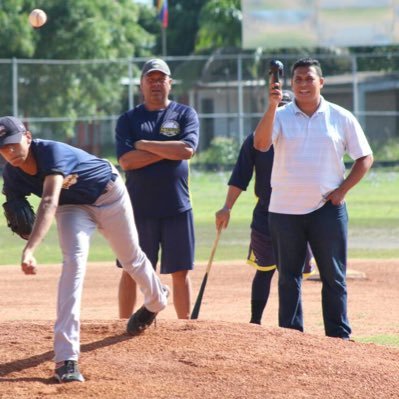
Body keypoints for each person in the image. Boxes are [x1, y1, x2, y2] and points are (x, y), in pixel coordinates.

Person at [0, 116, 169, 383]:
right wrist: (21, 222)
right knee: (73, 266)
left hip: (109, 194)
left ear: (28, 137)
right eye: (2, 148)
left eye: (12, 143)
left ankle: (156, 300)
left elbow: (48, 201)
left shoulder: (51, 154)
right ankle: (66, 359)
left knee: (130, 259)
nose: (9, 152)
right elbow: (15, 204)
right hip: (73, 208)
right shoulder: (10, 173)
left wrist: (30, 249)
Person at [253, 58, 373, 339]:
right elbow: (260, 144)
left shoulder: (340, 117)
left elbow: (364, 157)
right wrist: (271, 106)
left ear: (321, 82)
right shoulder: (280, 115)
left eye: (309, 78)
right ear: (290, 84)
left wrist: (342, 190)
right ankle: (292, 337)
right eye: (298, 79)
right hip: (284, 211)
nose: (303, 84)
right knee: (288, 278)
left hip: (326, 210)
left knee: (333, 276)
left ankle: (338, 336)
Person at [215, 91, 316, 326]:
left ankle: (292, 328)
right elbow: (240, 176)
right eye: (277, 107)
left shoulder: (303, 139)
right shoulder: (256, 140)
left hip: (299, 214)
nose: (281, 113)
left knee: (292, 276)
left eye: (286, 108)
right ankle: (255, 324)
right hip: (266, 214)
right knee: (265, 269)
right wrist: (226, 207)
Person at [115, 58, 199, 320]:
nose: (156, 84)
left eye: (161, 78)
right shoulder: (128, 119)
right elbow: (127, 161)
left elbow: (187, 150)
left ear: (170, 83)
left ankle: (184, 327)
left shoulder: (185, 114)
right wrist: (168, 150)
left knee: (180, 272)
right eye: (150, 79)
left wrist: (145, 145)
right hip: (138, 208)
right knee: (131, 270)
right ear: (141, 84)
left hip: (177, 205)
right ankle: (123, 324)